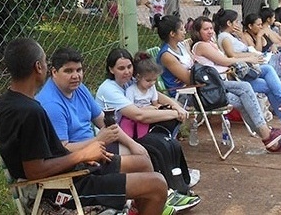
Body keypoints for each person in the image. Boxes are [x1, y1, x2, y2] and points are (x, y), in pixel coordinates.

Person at [0, 38, 170, 214]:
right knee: (158, 185)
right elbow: (35, 171)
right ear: (38, 67)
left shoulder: (10, 102)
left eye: (78, 70)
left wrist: (86, 156)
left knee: (142, 163)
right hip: (65, 186)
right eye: (45, 62)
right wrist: (82, 155)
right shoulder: (31, 111)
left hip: (76, 169)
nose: (76, 75)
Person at [154, 15, 281, 154]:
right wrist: (203, 71)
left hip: (204, 88)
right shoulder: (167, 55)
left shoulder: (180, 46)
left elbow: (194, 67)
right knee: (245, 89)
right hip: (189, 95)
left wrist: (200, 69)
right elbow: (190, 79)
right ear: (172, 33)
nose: (185, 31)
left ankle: (269, 139)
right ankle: (268, 136)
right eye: (181, 29)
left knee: (243, 98)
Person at [94, 48, 203, 211]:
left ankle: (176, 186)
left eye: (129, 67)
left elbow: (155, 94)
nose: (126, 72)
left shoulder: (129, 81)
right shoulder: (109, 89)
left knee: (167, 144)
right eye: (121, 68)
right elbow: (139, 115)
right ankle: (164, 194)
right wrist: (173, 112)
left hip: (131, 132)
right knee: (155, 147)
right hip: (113, 139)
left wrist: (175, 105)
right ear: (111, 69)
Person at [196, 12, 281, 133]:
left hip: (236, 74)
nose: (210, 31)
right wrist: (249, 57)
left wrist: (243, 41)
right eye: (206, 29)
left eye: (210, 28)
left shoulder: (214, 42)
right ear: (229, 23)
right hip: (231, 79)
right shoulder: (214, 41)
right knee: (275, 70)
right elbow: (228, 58)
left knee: (269, 77)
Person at [36, 47, 151, 168]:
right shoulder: (52, 104)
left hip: (95, 145)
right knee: (143, 164)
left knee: (147, 152)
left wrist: (133, 145)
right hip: (79, 161)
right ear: (54, 72)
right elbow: (62, 150)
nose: (75, 76)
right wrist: (98, 140)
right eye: (68, 71)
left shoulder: (79, 88)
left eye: (79, 70)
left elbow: (104, 121)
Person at [120, 51, 164, 139]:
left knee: (144, 133)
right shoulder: (131, 90)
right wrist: (148, 108)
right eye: (148, 80)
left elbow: (155, 103)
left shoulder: (152, 88)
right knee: (126, 128)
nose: (152, 83)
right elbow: (131, 109)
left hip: (146, 117)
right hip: (131, 117)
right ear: (138, 77)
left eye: (154, 80)